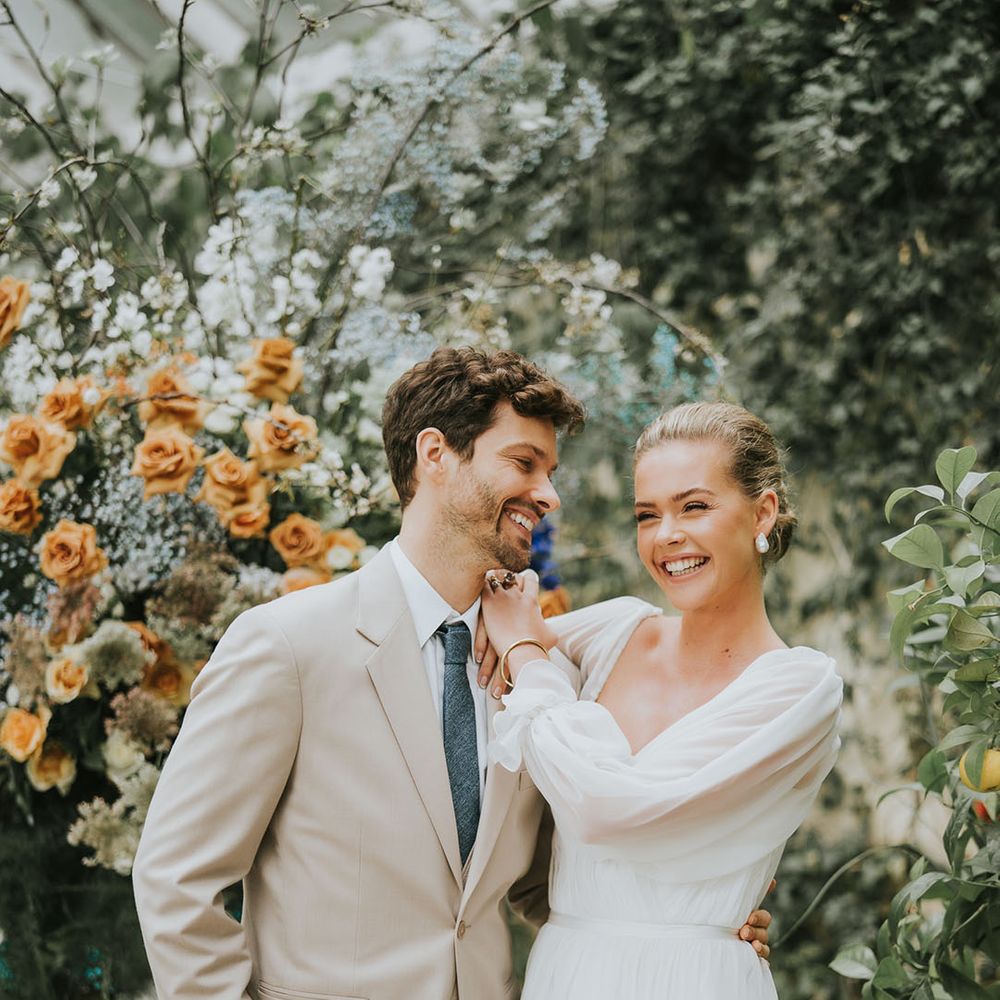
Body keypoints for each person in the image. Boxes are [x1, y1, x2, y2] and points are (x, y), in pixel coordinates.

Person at [132, 351, 771, 1000]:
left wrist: (692, 923)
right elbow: (176, 878)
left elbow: (549, 879)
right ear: (435, 454)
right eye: (524, 463)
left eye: (550, 472)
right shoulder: (287, 647)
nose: (548, 495)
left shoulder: (543, 672)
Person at [477, 401, 843, 1000]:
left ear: (763, 512)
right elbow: (487, 632)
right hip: (567, 972)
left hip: (700, 979)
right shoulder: (612, 632)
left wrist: (525, 652)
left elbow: (604, 811)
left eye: (694, 506)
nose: (667, 535)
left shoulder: (799, 690)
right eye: (648, 515)